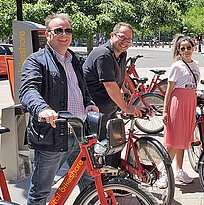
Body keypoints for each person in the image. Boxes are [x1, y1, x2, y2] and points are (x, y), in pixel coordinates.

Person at [19, 13, 99, 204]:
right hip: (52, 136)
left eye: (67, 30)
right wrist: (42, 108)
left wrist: (89, 104)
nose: (64, 34)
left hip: (80, 133)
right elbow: (28, 89)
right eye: (58, 31)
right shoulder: (36, 60)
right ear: (48, 35)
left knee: (90, 186)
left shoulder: (76, 60)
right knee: (40, 193)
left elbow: (82, 89)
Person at [83, 22, 144, 168]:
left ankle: (114, 183)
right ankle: (102, 184)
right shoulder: (103, 54)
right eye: (122, 38)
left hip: (110, 108)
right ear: (112, 35)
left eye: (129, 39)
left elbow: (118, 75)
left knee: (116, 145)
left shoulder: (121, 53)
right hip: (96, 112)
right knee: (101, 151)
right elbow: (110, 85)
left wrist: (123, 87)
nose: (125, 42)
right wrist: (126, 108)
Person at [161, 35, 199, 186]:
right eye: (182, 48)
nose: (186, 51)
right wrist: (165, 110)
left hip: (190, 102)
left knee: (182, 140)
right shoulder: (176, 66)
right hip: (177, 102)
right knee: (173, 142)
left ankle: (179, 170)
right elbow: (169, 90)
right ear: (178, 50)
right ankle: (165, 172)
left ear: (193, 48)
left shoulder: (195, 64)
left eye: (188, 47)